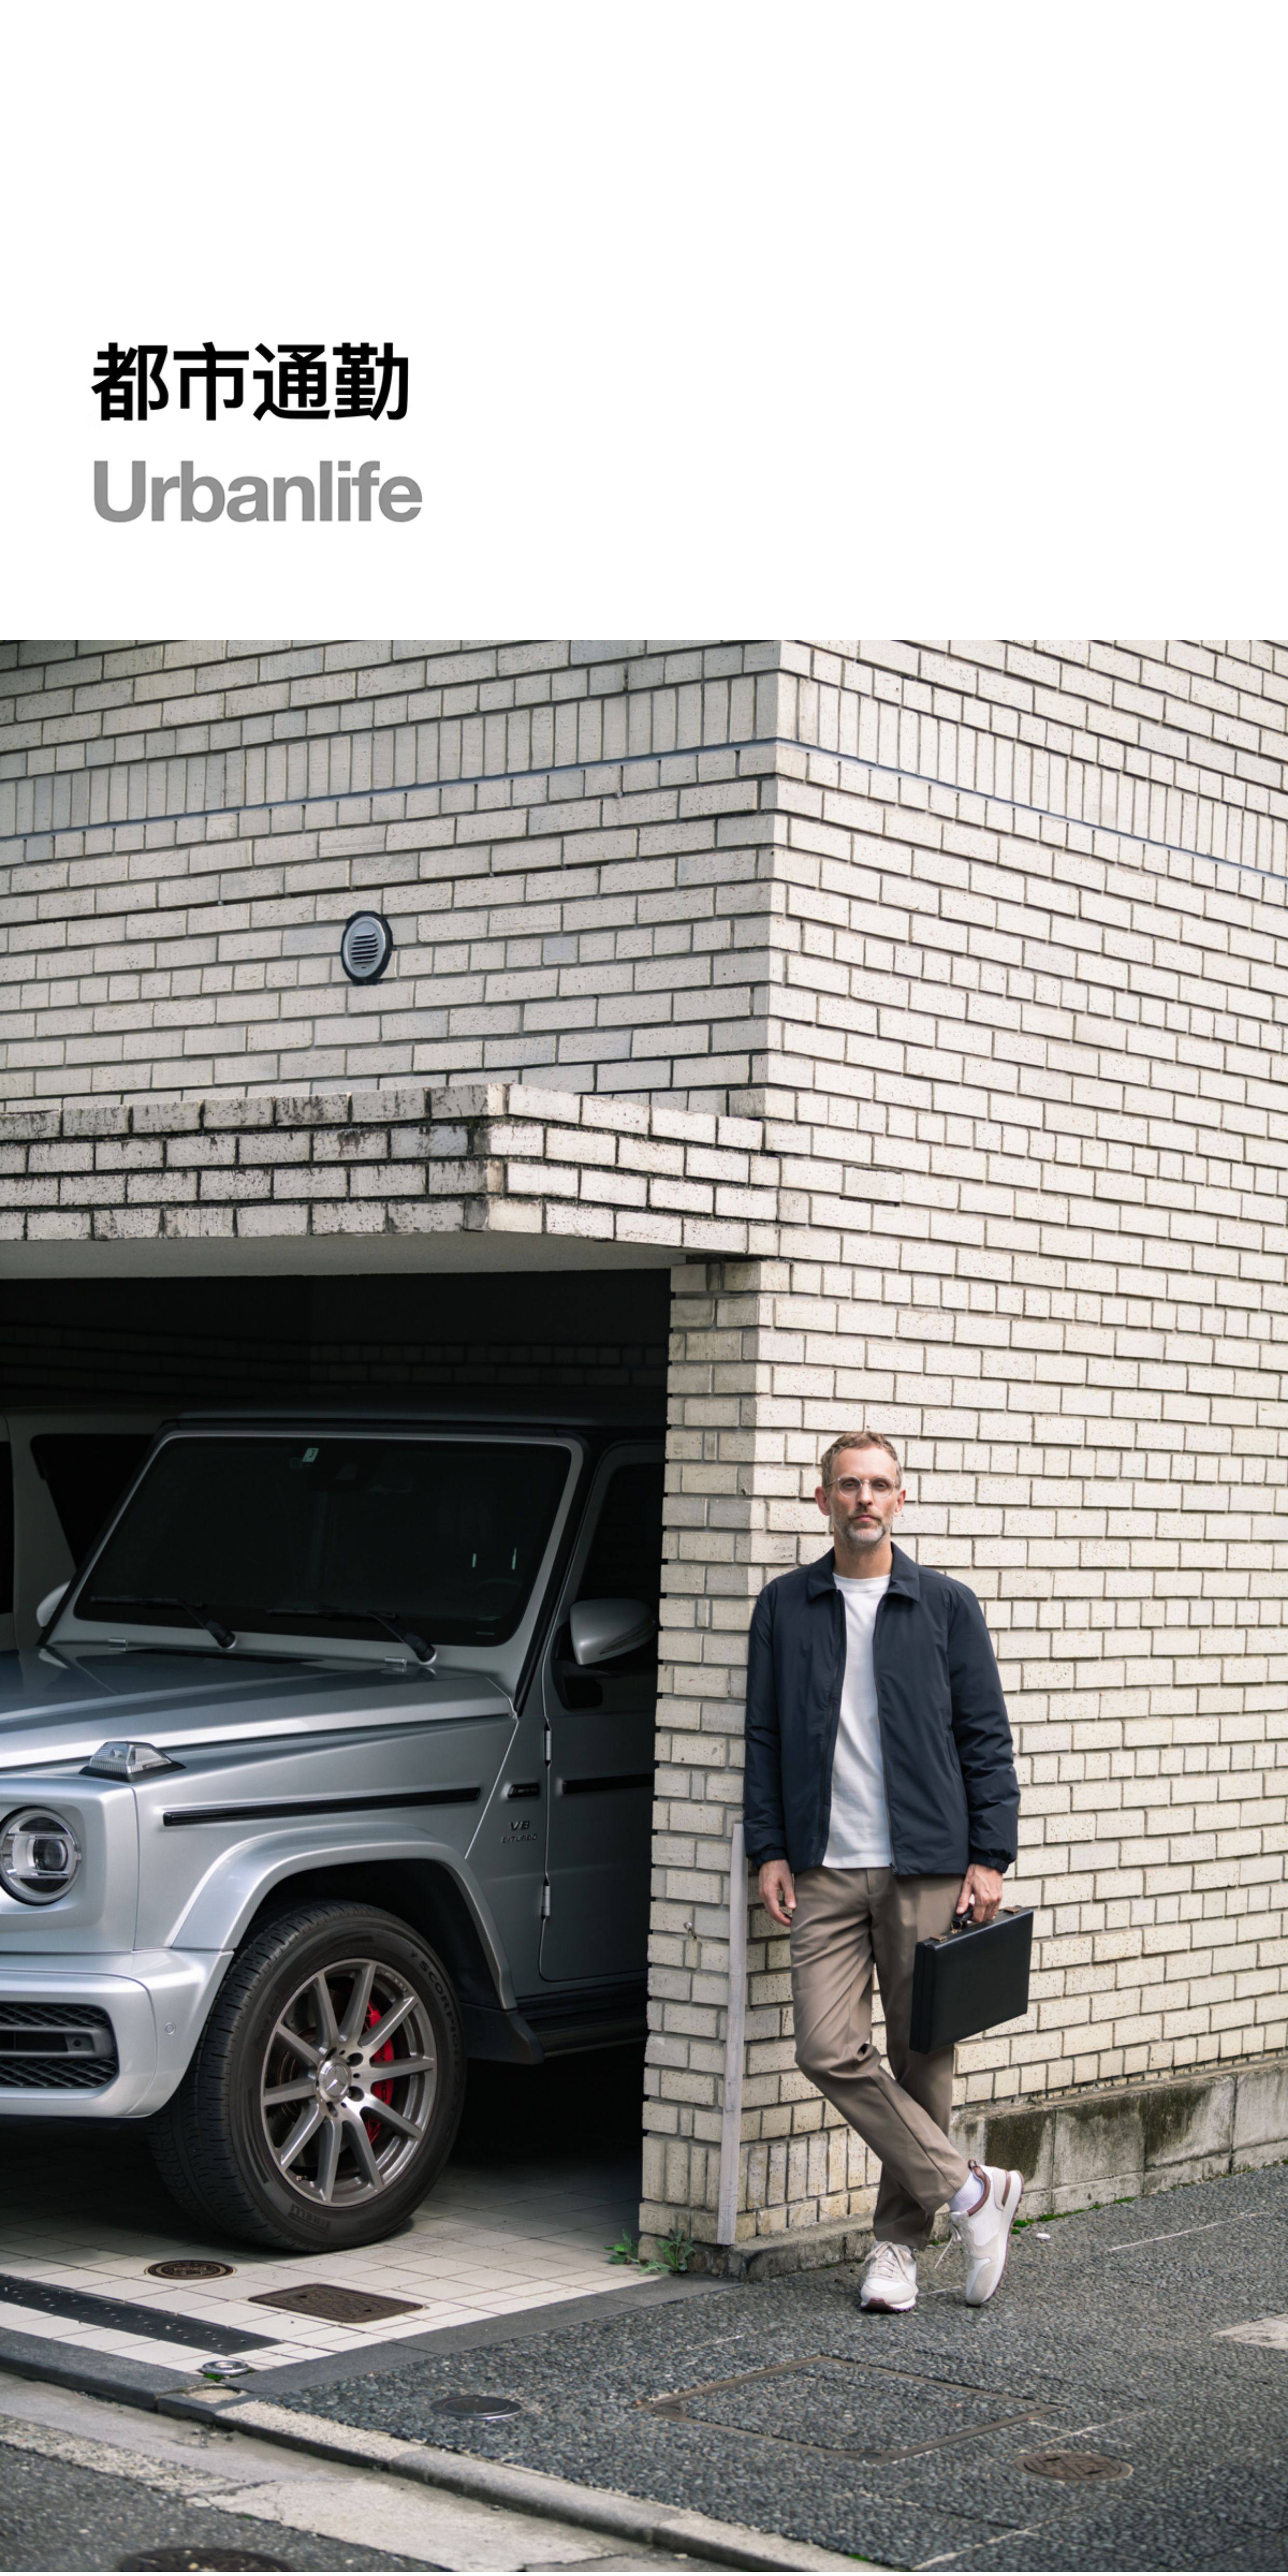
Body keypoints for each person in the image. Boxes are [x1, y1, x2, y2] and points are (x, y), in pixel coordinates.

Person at [743, 1431, 1022, 2312]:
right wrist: (769, 1848)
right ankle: (973, 2191)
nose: (864, 1498)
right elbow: (763, 1737)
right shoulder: (785, 1606)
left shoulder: (945, 1606)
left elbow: (985, 1736)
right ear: (822, 1499)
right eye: (848, 1485)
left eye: (879, 1485)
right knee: (826, 2048)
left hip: (926, 1865)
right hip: (823, 1867)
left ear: (901, 1499)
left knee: (922, 2060)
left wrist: (989, 1856)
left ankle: (897, 2250)